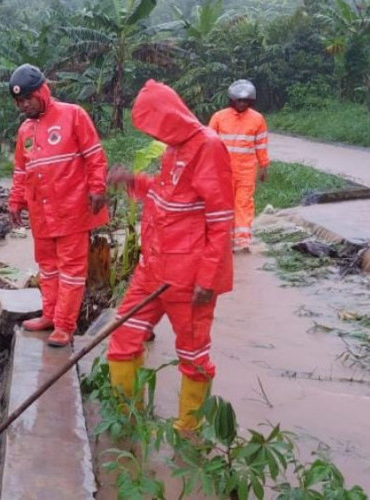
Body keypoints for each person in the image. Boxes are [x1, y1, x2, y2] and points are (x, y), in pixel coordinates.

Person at [106, 80, 234, 432]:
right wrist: (132, 180)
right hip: (153, 268)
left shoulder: (208, 147)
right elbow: (168, 196)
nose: (156, 136)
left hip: (188, 277)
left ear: (170, 118)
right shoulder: (175, 149)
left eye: (155, 128)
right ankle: (126, 419)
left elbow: (221, 220)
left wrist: (208, 279)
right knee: (122, 337)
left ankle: (188, 432)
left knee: (193, 357)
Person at [7, 63, 109, 348]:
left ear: (42, 91)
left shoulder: (73, 115)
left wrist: (97, 188)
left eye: (28, 98)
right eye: (19, 101)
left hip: (73, 210)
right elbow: (20, 172)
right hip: (42, 214)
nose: (24, 105)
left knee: (72, 270)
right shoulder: (25, 131)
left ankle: (65, 325)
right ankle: (50, 315)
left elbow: (94, 156)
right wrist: (16, 200)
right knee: (47, 267)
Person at [208, 79, 270, 253]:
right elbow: (208, 143)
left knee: (243, 204)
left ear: (250, 101)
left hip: (246, 171)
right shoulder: (219, 117)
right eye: (239, 100)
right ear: (232, 100)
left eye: (245, 101)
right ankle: (225, 240)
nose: (242, 104)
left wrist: (264, 166)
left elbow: (261, 145)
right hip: (222, 170)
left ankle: (243, 241)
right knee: (224, 205)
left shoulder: (258, 119)